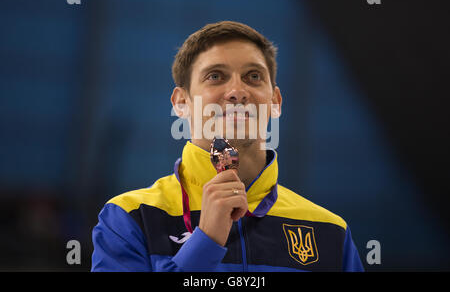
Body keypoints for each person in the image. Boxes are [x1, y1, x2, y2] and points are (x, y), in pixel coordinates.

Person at [91, 21, 364, 272]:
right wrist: (206, 241)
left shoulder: (330, 232)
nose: (237, 91)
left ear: (275, 101)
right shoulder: (129, 218)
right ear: (181, 103)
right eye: (215, 76)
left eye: (254, 76)